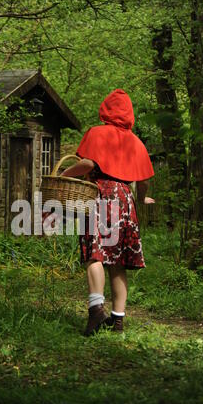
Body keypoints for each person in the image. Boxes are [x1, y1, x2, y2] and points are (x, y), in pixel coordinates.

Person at [60, 89, 155, 336]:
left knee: (96, 254)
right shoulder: (136, 142)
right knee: (119, 262)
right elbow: (143, 180)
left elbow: (88, 164)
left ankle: (95, 312)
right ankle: (118, 322)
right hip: (125, 199)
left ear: (106, 110)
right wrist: (142, 198)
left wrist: (63, 175)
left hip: (101, 194)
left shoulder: (97, 133)